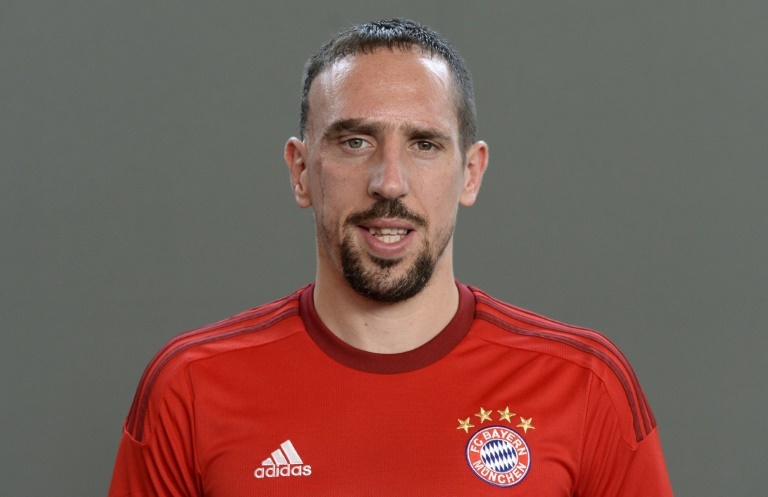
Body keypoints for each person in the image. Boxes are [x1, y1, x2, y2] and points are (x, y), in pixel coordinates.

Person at [108, 18, 673, 496]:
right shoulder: (191, 387)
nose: (390, 182)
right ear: (300, 171)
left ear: (470, 173)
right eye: (355, 142)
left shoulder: (583, 385)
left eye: (424, 144)